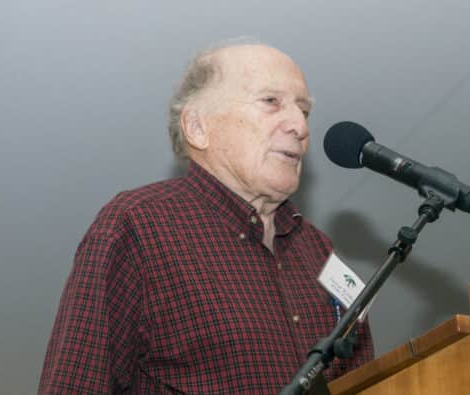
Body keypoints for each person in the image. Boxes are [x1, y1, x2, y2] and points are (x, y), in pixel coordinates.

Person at [39, 42, 374, 394]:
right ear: (198, 127)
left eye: (303, 111)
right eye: (271, 102)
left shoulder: (319, 251)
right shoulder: (139, 225)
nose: (300, 127)